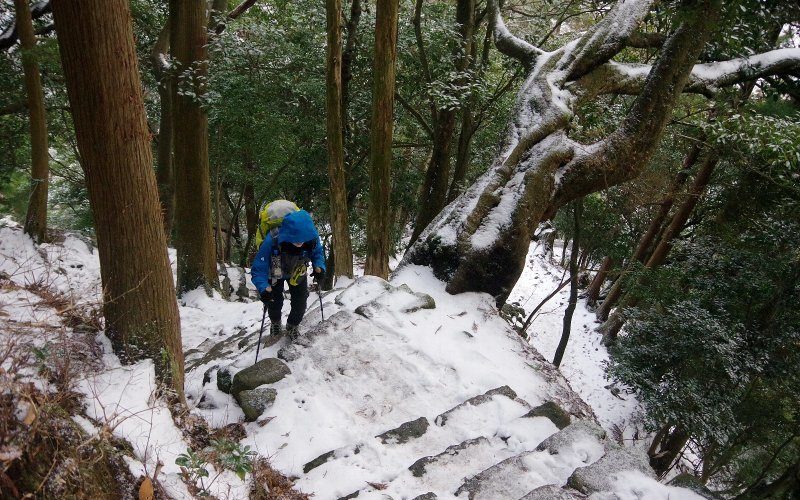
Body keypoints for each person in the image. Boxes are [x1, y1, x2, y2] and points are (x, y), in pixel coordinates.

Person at [251, 209, 326, 340]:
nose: (300, 242)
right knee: (274, 301)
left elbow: (317, 253)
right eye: (296, 238)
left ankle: (292, 325)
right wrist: (264, 288)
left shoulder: (311, 238)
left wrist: (319, 266)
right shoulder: (272, 240)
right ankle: (275, 323)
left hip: (298, 270)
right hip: (274, 272)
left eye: (302, 238)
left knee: (300, 301)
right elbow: (259, 268)